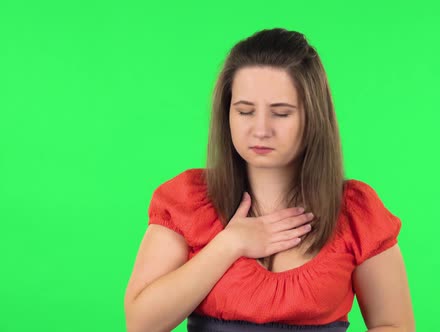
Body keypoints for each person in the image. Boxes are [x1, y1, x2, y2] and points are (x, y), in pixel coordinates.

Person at [124, 28, 414, 332]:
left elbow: (394, 325)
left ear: (313, 116)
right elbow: (141, 324)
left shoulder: (357, 212)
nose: (260, 129)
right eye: (245, 111)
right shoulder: (186, 199)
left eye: (281, 113)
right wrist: (229, 244)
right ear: (227, 114)